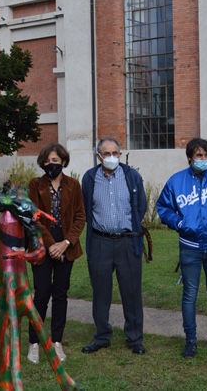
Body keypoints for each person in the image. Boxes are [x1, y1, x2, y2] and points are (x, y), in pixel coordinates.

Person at [156, 137, 207, 359]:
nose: (203, 160)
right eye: (198, 156)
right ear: (190, 158)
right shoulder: (176, 181)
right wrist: (180, 224)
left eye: (206, 156)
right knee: (190, 294)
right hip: (190, 247)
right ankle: (191, 341)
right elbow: (163, 208)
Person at [81, 137, 148, 355]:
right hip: (100, 241)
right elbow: (85, 208)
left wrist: (130, 228)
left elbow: (141, 206)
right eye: (107, 154)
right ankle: (102, 336)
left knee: (131, 292)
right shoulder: (90, 178)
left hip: (128, 242)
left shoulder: (132, 176)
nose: (112, 157)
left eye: (116, 153)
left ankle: (135, 338)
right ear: (98, 156)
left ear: (120, 154)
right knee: (101, 292)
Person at [27, 143, 86, 364]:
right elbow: (33, 216)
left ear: (63, 161)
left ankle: (57, 341)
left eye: (56, 160)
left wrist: (66, 243)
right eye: (48, 161)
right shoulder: (35, 185)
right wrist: (52, 244)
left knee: (61, 294)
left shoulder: (74, 185)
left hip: (67, 245)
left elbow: (80, 216)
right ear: (43, 162)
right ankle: (34, 342)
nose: (51, 164)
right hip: (42, 244)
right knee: (41, 293)